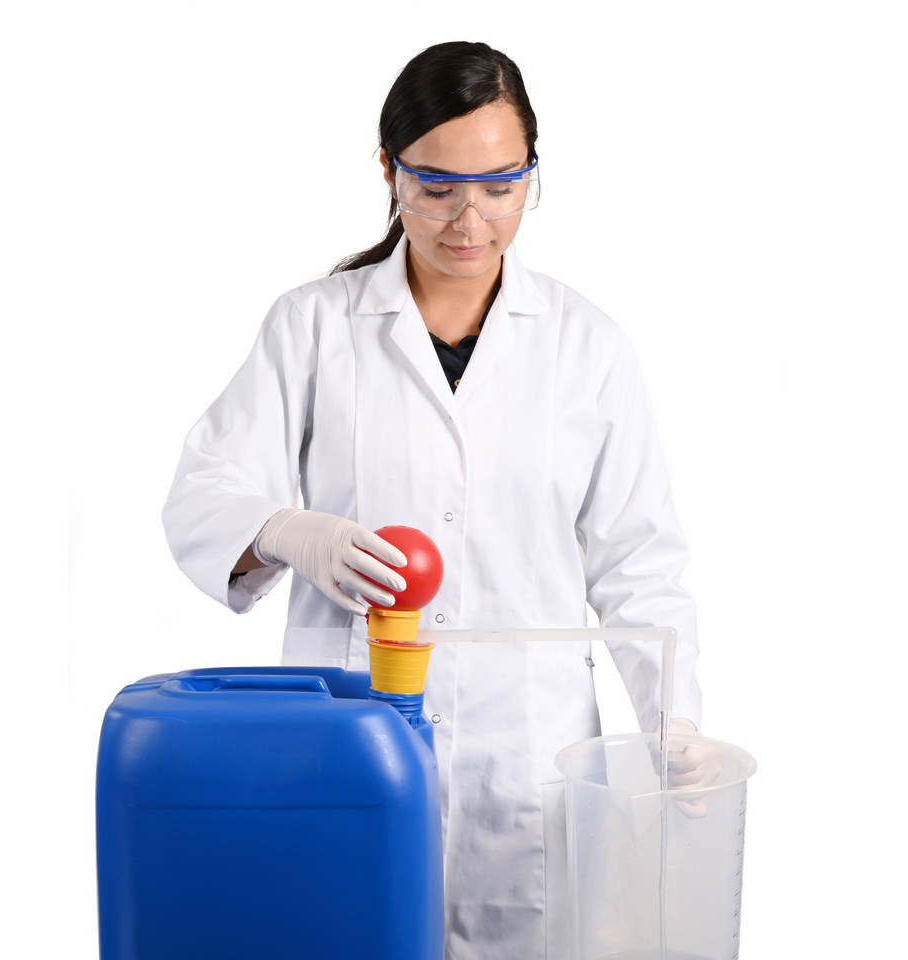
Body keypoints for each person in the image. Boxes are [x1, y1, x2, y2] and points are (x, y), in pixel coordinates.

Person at [162, 40, 714, 960]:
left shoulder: (587, 346)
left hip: (527, 766)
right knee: (350, 932)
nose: (471, 219)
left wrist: (672, 717)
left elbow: (639, 561)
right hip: (355, 740)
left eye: (501, 187)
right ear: (388, 170)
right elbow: (201, 495)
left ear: (532, 174)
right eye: (437, 186)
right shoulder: (314, 326)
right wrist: (287, 531)